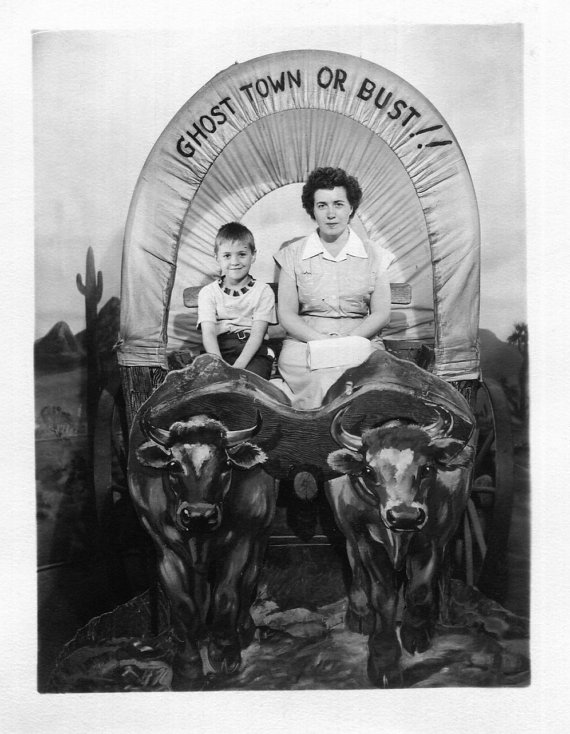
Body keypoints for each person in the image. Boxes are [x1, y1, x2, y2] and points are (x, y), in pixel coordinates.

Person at [274, 167, 394, 409]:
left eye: (338, 204)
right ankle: (312, 441)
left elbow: (381, 313)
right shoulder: (292, 254)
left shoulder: (375, 255)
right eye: (322, 205)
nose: (330, 214)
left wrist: (348, 342)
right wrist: (320, 342)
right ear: (312, 210)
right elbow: (286, 313)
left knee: (357, 380)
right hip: (305, 342)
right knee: (321, 378)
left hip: (360, 339)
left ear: (351, 208)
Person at [198, 222, 276, 379]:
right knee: (208, 384)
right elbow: (209, 333)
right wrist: (220, 366)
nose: (234, 262)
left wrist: (237, 369)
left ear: (253, 256)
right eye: (227, 256)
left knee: (248, 382)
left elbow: (257, 335)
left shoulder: (263, 291)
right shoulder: (208, 293)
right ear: (217, 258)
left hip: (252, 352)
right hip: (218, 351)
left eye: (242, 254)